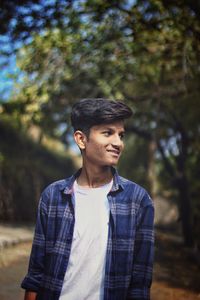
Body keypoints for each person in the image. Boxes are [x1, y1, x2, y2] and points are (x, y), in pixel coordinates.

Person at [21, 98, 154, 300]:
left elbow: (140, 284)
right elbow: (36, 274)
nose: (118, 143)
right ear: (81, 139)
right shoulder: (53, 196)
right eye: (108, 133)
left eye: (121, 135)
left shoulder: (138, 200)